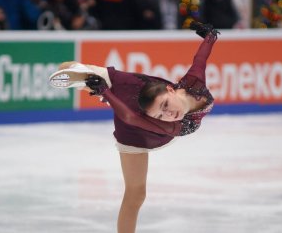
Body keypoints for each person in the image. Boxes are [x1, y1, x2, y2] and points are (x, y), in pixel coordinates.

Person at [49, 21, 218, 233]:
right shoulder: (170, 109)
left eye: (166, 107)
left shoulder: (181, 107)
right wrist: (105, 92)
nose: (169, 115)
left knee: (137, 193)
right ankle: (87, 78)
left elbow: (200, 60)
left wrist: (210, 36)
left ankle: (97, 85)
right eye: (163, 111)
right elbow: (133, 116)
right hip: (139, 106)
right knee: (136, 193)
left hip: (140, 127)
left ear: (172, 90)